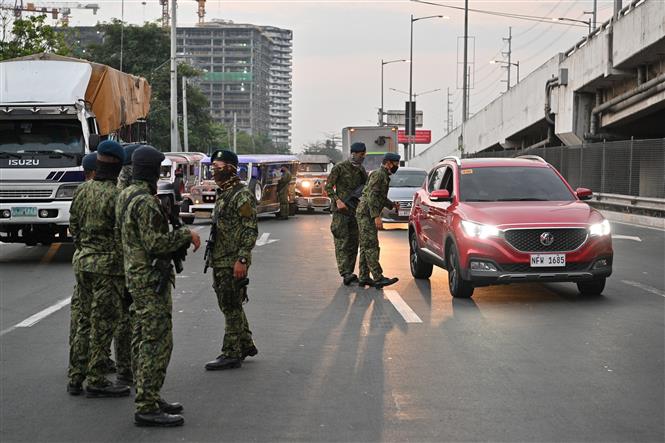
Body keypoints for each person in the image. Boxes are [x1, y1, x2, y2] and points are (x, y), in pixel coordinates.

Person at [116, 145, 201, 427]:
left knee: (142, 337)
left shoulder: (126, 195)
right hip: (151, 280)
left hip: (136, 276)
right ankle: (147, 406)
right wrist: (184, 234)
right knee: (157, 341)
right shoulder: (145, 202)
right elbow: (156, 244)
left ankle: (149, 394)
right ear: (153, 171)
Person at [67, 140, 129, 398]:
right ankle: (96, 378)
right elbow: (121, 236)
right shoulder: (118, 195)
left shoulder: (82, 190)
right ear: (118, 167)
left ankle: (75, 376)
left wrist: (85, 248)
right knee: (103, 323)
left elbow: (74, 226)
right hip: (108, 267)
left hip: (83, 262)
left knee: (83, 321)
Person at [204, 149, 259, 371]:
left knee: (230, 305)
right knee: (230, 303)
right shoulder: (225, 193)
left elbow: (250, 229)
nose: (214, 171)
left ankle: (231, 352)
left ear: (230, 168)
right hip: (220, 258)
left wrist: (242, 259)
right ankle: (245, 343)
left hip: (232, 259)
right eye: (213, 167)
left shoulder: (240, 195)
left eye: (218, 167)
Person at [114, 143, 142, 386]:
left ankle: (123, 368)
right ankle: (131, 369)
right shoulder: (134, 196)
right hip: (132, 266)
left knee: (121, 319)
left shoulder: (117, 192)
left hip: (114, 263)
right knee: (133, 320)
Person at [324, 142, 368, 286]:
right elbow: (328, 187)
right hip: (341, 211)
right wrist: (337, 201)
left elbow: (366, 187)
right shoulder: (339, 167)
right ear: (353, 153)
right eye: (361, 155)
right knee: (342, 241)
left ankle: (350, 271)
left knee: (353, 242)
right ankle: (345, 272)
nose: (362, 158)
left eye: (363, 155)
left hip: (354, 210)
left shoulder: (361, 170)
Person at [356, 152, 401, 289]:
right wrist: (376, 216)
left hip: (365, 212)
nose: (397, 166)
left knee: (365, 246)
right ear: (388, 163)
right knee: (371, 246)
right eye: (396, 163)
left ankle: (364, 277)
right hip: (367, 214)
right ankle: (378, 277)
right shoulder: (379, 175)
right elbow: (371, 197)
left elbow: (379, 197)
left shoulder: (383, 175)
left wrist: (392, 205)